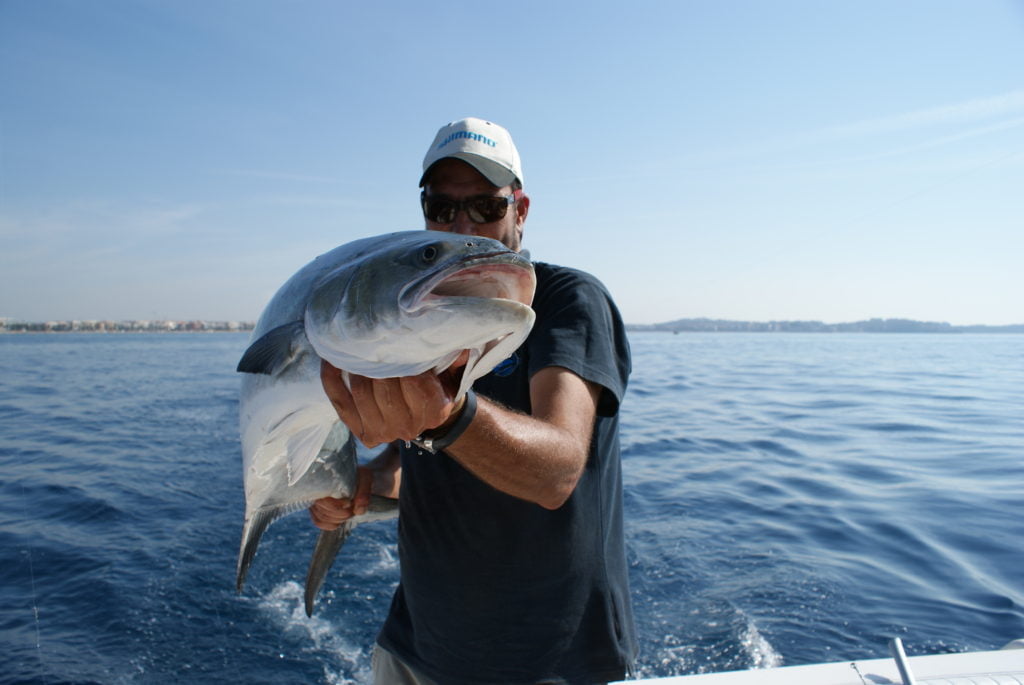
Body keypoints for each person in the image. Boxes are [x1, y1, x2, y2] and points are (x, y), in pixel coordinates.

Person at [310, 117, 636, 684]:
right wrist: (369, 483)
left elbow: (557, 471)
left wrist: (448, 417)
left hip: (549, 665)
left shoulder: (567, 300)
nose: (463, 225)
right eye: (442, 208)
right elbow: (415, 453)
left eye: (486, 207)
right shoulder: (418, 312)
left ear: (520, 210)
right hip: (415, 648)